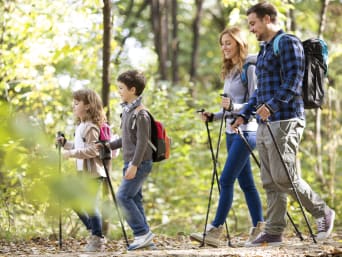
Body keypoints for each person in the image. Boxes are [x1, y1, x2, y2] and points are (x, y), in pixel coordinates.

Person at [232, 2, 335, 247]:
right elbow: (259, 92)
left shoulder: (287, 42)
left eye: (253, 23)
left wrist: (273, 106)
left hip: (286, 118)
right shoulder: (266, 49)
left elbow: (294, 79)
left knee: (284, 176)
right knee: (269, 179)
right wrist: (245, 114)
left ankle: (323, 212)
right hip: (265, 121)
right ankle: (274, 231)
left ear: (267, 19)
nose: (252, 29)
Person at [190, 27, 264, 247]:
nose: (224, 47)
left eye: (229, 43)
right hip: (231, 132)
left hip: (247, 131)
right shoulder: (230, 71)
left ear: (239, 44)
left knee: (225, 180)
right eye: (222, 43)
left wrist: (234, 106)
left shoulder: (249, 68)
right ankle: (260, 226)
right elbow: (230, 109)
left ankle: (215, 230)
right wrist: (213, 116)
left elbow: (254, 101)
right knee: (247, 183)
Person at [106, 70, 154, 250]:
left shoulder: (141, 114)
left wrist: (134, 165)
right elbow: (126, 140)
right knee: (134, 199)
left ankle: (141, 233)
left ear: (133, 90)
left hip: (139, 162)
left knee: (122, 197)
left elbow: (142, 142)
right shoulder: (127, 111)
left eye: (121, 88)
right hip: (132, 162)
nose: (119, 91)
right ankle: (147, 242)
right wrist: (107, 146)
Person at [57, 89, 107, 252]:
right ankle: (94, 231)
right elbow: (80, 147)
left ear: (88, 106)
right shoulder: (81, 126)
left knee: (90, 205)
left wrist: (70, 154)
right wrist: (65, 144)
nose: (74, 105)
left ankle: (97, 238)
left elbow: (93, 150)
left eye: (77, 103)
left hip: (93, 174)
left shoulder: (91, 127)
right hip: (83, 174)